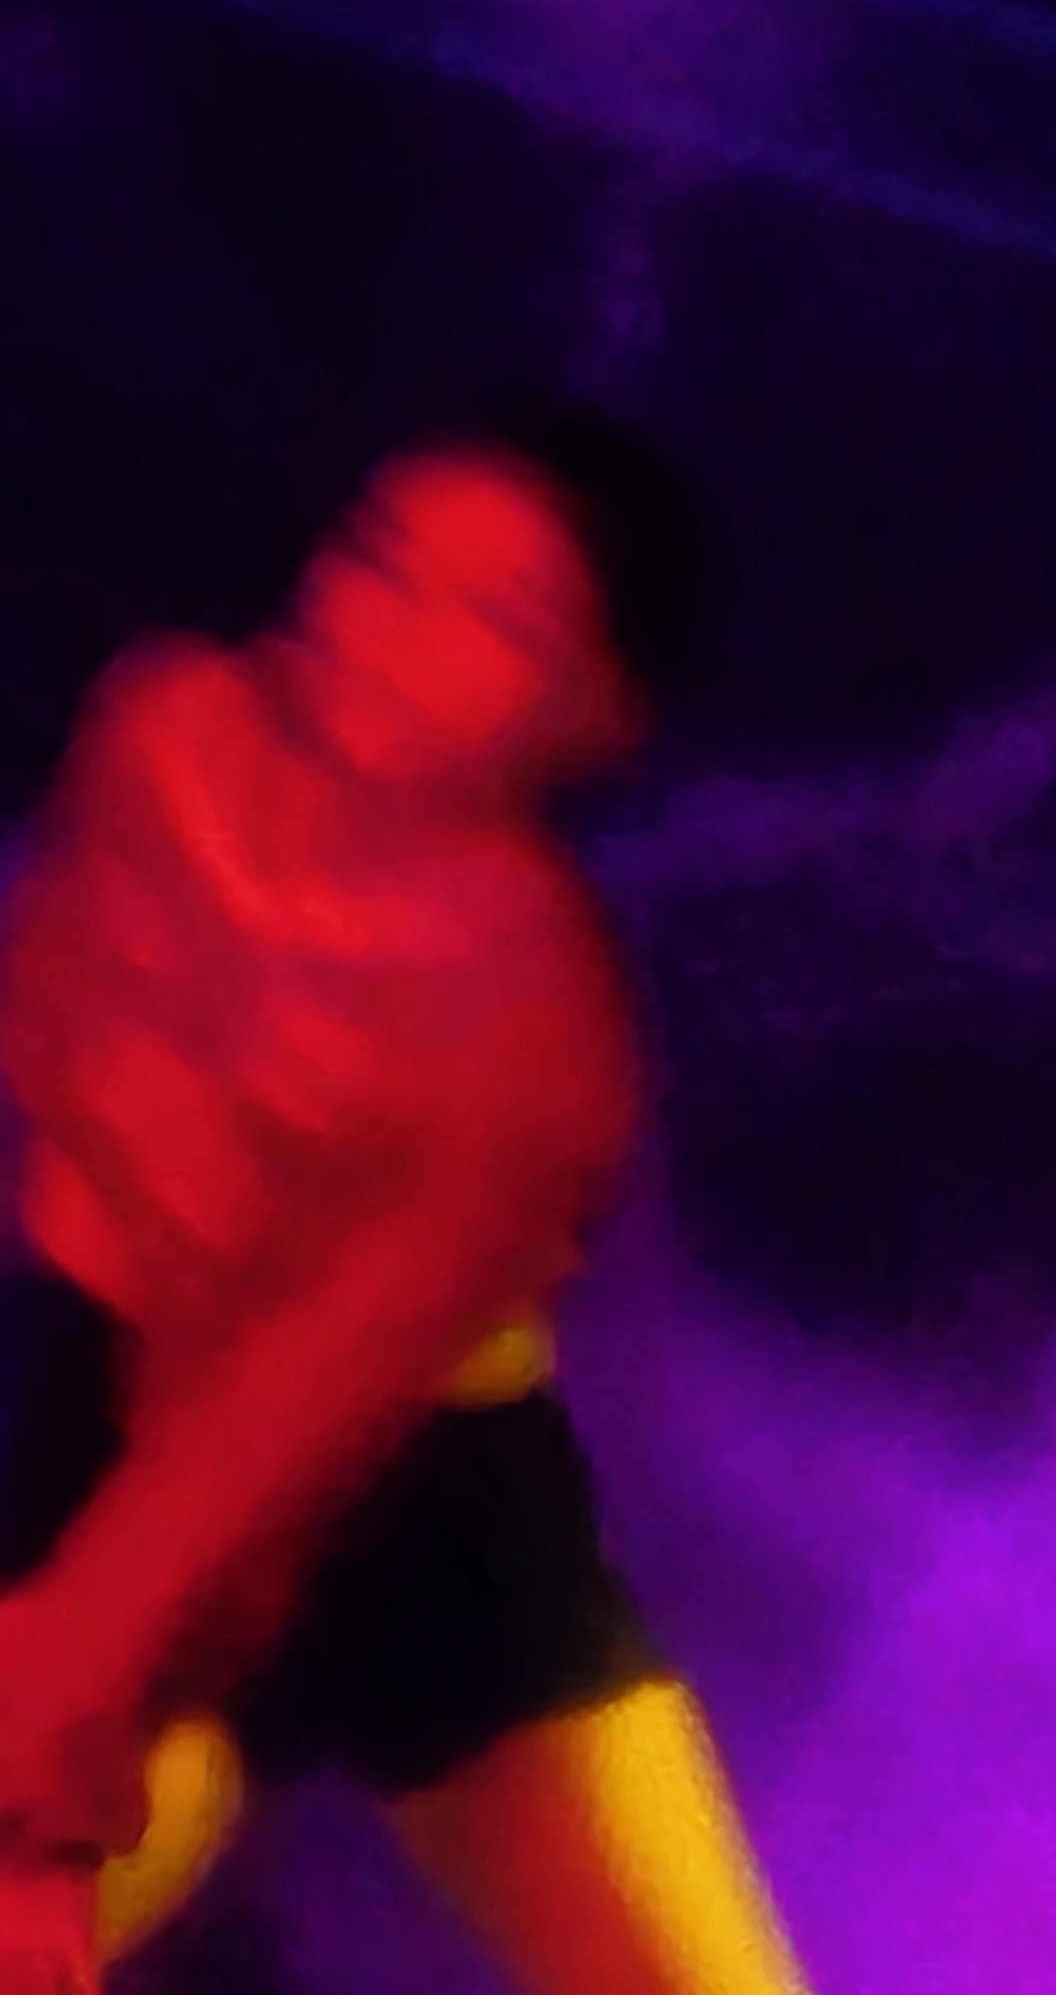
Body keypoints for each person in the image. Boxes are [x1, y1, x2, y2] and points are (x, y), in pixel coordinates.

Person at [0, 402, 807, 1995]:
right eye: (379, 560)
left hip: (426, 1518)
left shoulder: (537, 1034)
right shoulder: (161, 735)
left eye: (489, 622)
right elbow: (50, 1049)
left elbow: (282, 1432)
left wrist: (54, 1764)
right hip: (114, 1432)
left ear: (594, 716)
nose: (383, 632)